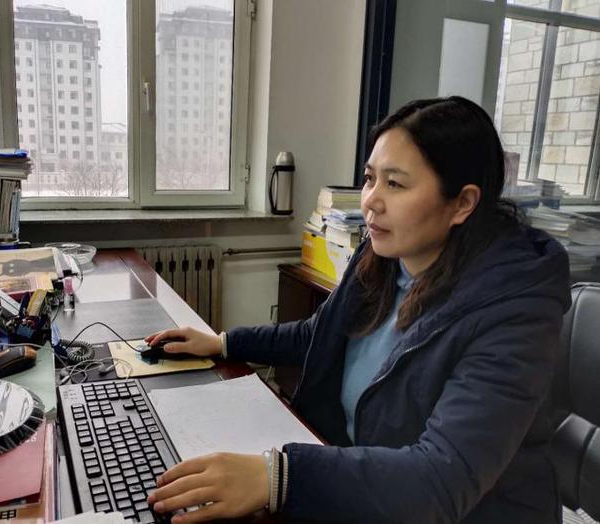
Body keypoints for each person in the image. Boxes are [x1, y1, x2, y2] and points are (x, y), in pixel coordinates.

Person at [144, 96, 571, 523]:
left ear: (462, 203)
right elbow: (317, 335)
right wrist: (223, 343)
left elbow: (442, 480)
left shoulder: (515, 310)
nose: (371, 201)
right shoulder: (384, 255)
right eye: (370, 179)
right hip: (365, 490)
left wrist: (280, 477)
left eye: (395, 184)